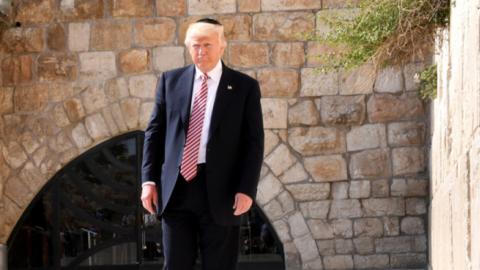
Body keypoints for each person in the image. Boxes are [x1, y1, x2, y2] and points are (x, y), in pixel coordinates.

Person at [140, 18, 264, 270]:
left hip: (223, 191)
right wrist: (148, 181)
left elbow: (253, 143)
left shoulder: (244, 87)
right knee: (175, 265)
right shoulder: (170, 82)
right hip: (177, 189)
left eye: (207, 44)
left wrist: (246, 188)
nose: (201, 51)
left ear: (222, 46)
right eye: (195, 45)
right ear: (188, 48)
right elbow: (154, 132)